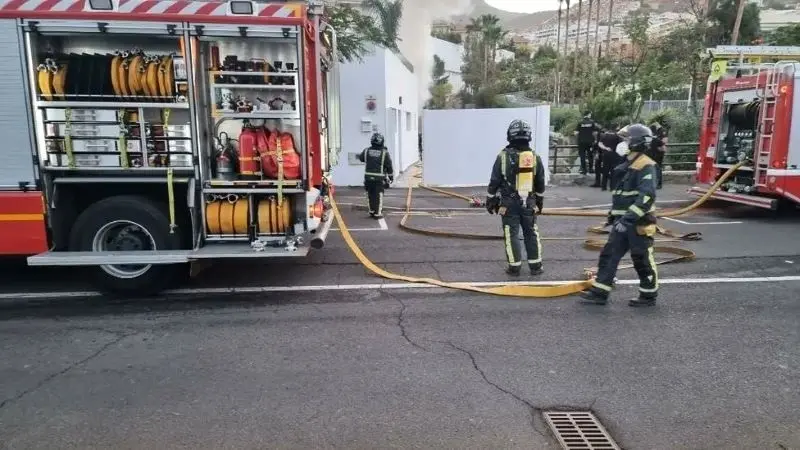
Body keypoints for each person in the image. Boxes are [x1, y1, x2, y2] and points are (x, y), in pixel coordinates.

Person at [579, 123, 660, 307]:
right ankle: (600, 292)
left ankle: (648, 295)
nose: (621, 143)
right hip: (622, 223)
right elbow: (622, 197)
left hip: (638, 223)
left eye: (625, 139)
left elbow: (646, 196)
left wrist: (628, 218)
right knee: (609, 254)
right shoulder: (628, 165)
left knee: (642, 258)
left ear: (637, 143)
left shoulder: (646, 165)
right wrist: (613, 217)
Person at [486, 119, 546, 276]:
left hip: (508, 204)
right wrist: (539, 201)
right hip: (529, 202)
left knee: (510, 233)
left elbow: (494, 181)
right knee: (531, 232)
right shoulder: (535, 157)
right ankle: (536, 266)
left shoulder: (503, 157)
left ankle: (514, 267)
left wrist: (490, 200)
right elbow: (540, 182)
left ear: (510, 136)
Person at [357, 132, 393, 219]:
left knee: (369, 194)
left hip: (368, 178)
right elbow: (389, 166)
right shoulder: (384, 153)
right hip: (379, 178)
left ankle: (371, 211)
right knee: (378, 195)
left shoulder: (366, 151)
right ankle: (377, 213)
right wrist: (391, 177)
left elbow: (361, 158)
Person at [598, 124, 624, 191]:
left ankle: (603, 187)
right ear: (616, 128)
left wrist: (605, 148)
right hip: (615, 155)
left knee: (605, 170)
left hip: (606, 154)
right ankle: (612, 187)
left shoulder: (605, 135)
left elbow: (600, 144)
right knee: (613, 171)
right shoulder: (618, 136)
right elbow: (622, 144)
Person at [574, 111, 601, 175]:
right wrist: (595, 140)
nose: (590, 115)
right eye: (590, 114)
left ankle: (584, 170)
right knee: (590, 156)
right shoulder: (592, 122)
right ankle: (591, 169)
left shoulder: (580, 123)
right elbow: (594, 133)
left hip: (581, 142)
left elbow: (576, 133)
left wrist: (580, 137)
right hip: (590, 142)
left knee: (582, 156)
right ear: (588, 115)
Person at [648, 122, 668, 189]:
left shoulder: (649, 139)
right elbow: (664, 148)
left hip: (653, 157)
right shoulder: (656, 139)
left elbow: (664, 148)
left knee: (655, 170)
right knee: (657, 170)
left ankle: (656, 184)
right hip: (656, 156)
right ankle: (657, 184)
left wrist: (658, 149)